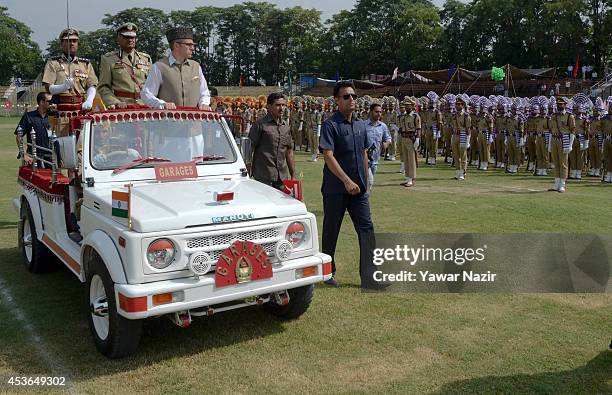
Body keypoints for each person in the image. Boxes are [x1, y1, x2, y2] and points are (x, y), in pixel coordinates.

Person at [319, 81, 378, 289]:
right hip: (336, 189)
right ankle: (327, 272)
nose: (351, 99)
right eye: (346, 96)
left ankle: (370, 277)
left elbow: (363, 153)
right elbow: (328, 155)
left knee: (367, 229)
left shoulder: (361, 125)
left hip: (358, 190)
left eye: (353, 96)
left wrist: (365, 179)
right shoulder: (330, 125)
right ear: (336, 100)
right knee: (331, 230)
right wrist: (346, 180)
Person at [42, 28, 98, 135]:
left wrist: (90, 100)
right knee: (64, 145)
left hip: (81, 110)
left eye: (74, 41)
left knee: (82, 146)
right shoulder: (53, 63)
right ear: (61, 44)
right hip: (62, 112)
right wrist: (63, 87)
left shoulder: (85, 64)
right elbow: (48, 88)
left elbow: (92, 85)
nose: (72, 43)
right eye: (68, 41)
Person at [141, 27, 211, 110]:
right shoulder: (159, 67)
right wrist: (162, 104)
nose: (192, 48)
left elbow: (204, 92)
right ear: (176, 45)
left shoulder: (196, 67)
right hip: (168, 121)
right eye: (188, 45)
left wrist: (204, 103)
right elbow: (146, 94)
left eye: (193, 45)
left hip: (194, 121)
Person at [98, 23, 152, 109]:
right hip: (122, 108)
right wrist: (115, 102)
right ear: (118, 39)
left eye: (133, 37)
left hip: (144, 106)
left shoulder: (146, 58)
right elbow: (103, 87)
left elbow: (152, 85)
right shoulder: (108, 59)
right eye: (126, 37)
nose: (130, 40)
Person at [248, 92, 295, 190]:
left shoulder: (285, 126)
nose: (281, 108)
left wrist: (293, 174)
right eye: (277, 105)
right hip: (263, 177)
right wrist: (247, 172)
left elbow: (289, 151)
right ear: (269, 106)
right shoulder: (260, 125)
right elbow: (249, 149)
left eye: (283, 105)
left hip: (282, 177)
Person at [15, 92, 54, 166]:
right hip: (33, 158)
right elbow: (18, 136)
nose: (52, 103)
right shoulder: (28, 116)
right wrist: (24, 154)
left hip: (51, 159)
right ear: (42, 102)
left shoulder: (54, 117)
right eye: (49, 101)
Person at [365, 102, 391, 194]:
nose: (379, 114)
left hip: (375, 159)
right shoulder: (363, 125)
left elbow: (388, 138)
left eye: (380, 112)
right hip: (365, 159)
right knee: (369, 182)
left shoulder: (383, 126)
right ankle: (363, 206)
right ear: (371, 112)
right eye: (376, 112)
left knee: (368, 185)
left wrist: (385, 145)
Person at [398, 97, 421, 187]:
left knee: (411, 160)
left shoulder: (415, 116)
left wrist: (418, 139)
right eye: (405, 106)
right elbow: (401, 128)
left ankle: (411, 178)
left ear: (412, 106)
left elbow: (418, 128)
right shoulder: (402, 117)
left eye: (408, 106)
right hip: (403, 138)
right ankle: (407, 177)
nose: (407, 107)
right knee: (406, 159)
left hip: (411, 139)